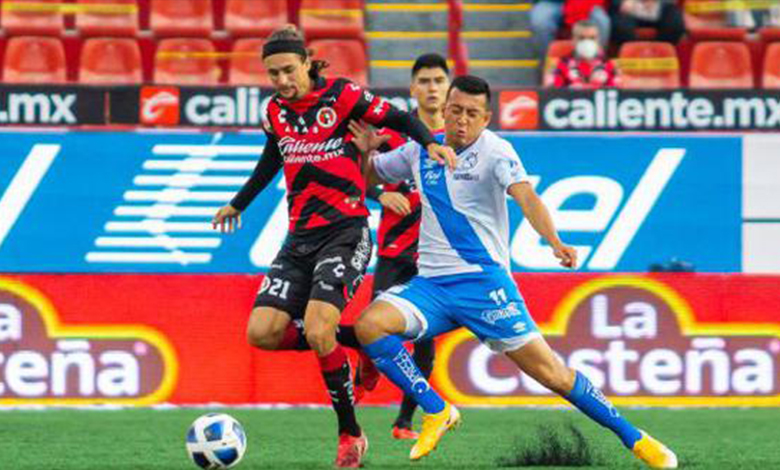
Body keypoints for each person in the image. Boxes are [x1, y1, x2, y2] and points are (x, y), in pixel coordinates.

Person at [349, 75, 678, 468]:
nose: (462, 120)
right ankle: (436, 409)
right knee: (370, 326)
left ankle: (636, 439)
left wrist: (554, 241)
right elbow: (371, 176)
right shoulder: (421, 148)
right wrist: (365, 154)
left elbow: (527, 196)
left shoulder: (496, 151)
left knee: (554, 375)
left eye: (472, 114)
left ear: (486, 118)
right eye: (456, 110)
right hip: (432, 286)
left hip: (484, 286)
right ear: (445, 110)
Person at [211, 25, 456, 468]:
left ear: (307, 62)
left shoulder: (342, 96)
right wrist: (238, 203)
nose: (282, 80)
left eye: (289, 70)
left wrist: (430, 143)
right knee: (262, 333)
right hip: (298, 238)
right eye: (273, 74)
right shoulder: (274, 111)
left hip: (345, 231)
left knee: (319, 329)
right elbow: (272, 158)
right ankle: (359, 342)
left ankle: (350, 434)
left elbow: (398, 119)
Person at [360, 53, 450, 441]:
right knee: (377, 323)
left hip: (436, 257)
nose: (432, 88)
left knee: (425, 348)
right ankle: (366, 359)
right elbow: (357, 175)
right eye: (424, 81)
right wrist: (380, 193)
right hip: (395, 249)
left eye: (438, 81)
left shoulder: (460, 136)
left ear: (449, 87)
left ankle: (404, 422)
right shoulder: (393, 134)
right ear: (413, 88)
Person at [552, 20, 620, 89]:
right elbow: (555, 91)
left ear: (598, 40)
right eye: (582, 38)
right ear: (573, 39)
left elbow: (616, 91)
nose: (587, 42)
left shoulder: (607, 64)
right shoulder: (563, 64)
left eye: (592, 38)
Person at [531, 0, 611, 58]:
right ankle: (549, 66)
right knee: (540, 21)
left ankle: (598, 64)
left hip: (589, 2)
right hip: (553, 2)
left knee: (601, 21)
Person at [611, 0, 685, 47]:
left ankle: (660, 53)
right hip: (628, 9)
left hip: (660, 8)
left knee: (674, 23)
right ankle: (634, 54)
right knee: (620, 27)